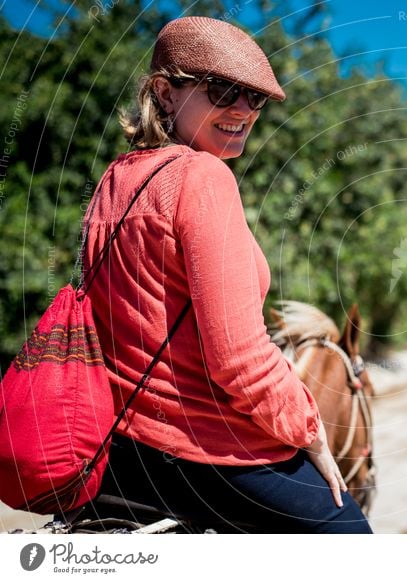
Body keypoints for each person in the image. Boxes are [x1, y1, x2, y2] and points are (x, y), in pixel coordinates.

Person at [81, 16, 372, 533]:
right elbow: (239, 361)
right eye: (223, 91)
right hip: (201, 449)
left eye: (255, 99)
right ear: (165, 93)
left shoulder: (115, 179)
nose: (242, 110)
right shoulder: (204, 176)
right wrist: (310, 431)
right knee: (349, 536)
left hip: (117, 449)